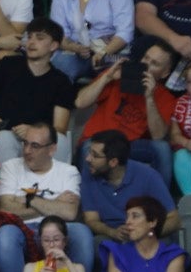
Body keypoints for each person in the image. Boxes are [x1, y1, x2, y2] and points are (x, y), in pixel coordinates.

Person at [0, 122, 93, 272]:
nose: (27, 151)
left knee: (82, 233)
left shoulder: (68, 172)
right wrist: (55, 203)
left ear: (51, 149)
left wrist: (29, 199)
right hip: (22, 228)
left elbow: (69, 213)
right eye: (25, 143)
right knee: (5, 235)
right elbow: (5, 208)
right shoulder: (11, 167)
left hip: (58, 228)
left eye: (35, 146)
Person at [74, 39, 177, 182]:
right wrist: (107, 77)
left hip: (130, 145)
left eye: (154, 63)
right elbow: (80, 102)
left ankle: (159, 196)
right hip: (98, 139)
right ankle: (88, 195)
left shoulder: (166, 97)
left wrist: (149, 98)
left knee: (162, 148)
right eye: (146, 58)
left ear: (165, 73)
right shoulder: (116, 77)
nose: (146, 64)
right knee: (89, 149)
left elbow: (158, 136)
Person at [0, 19, 76, 163]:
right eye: (29, 37)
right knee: (3, 139)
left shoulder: (61, 81)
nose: (31, 42)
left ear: (54, 45)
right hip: (6, 134)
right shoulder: (8, 65)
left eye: (39, 38)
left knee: (60, 141)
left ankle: (48, 178)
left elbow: (60, 127)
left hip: (40, 141)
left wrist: (34, 131)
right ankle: (9, 179)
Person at [78, 131, 176, 244]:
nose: (88, 159)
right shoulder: (89, 173)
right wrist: (112, 232)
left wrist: (145, 232)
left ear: (113, 162)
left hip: (145, 235)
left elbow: (174, 219)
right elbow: (91, 220)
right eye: (89, 152)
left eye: (95, 155)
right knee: (98, 244)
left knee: (163, 244)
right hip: (111, 235)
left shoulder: (148, 175)